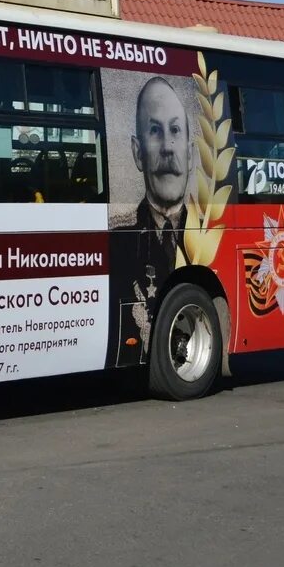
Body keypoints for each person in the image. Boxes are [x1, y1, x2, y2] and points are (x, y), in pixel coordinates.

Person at [109, 76, 194, 367]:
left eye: (175, 130)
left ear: (190, 152)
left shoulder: (207, 235)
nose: (168, 147)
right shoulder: (116, 241)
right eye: (155, 131)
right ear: (137, 152)